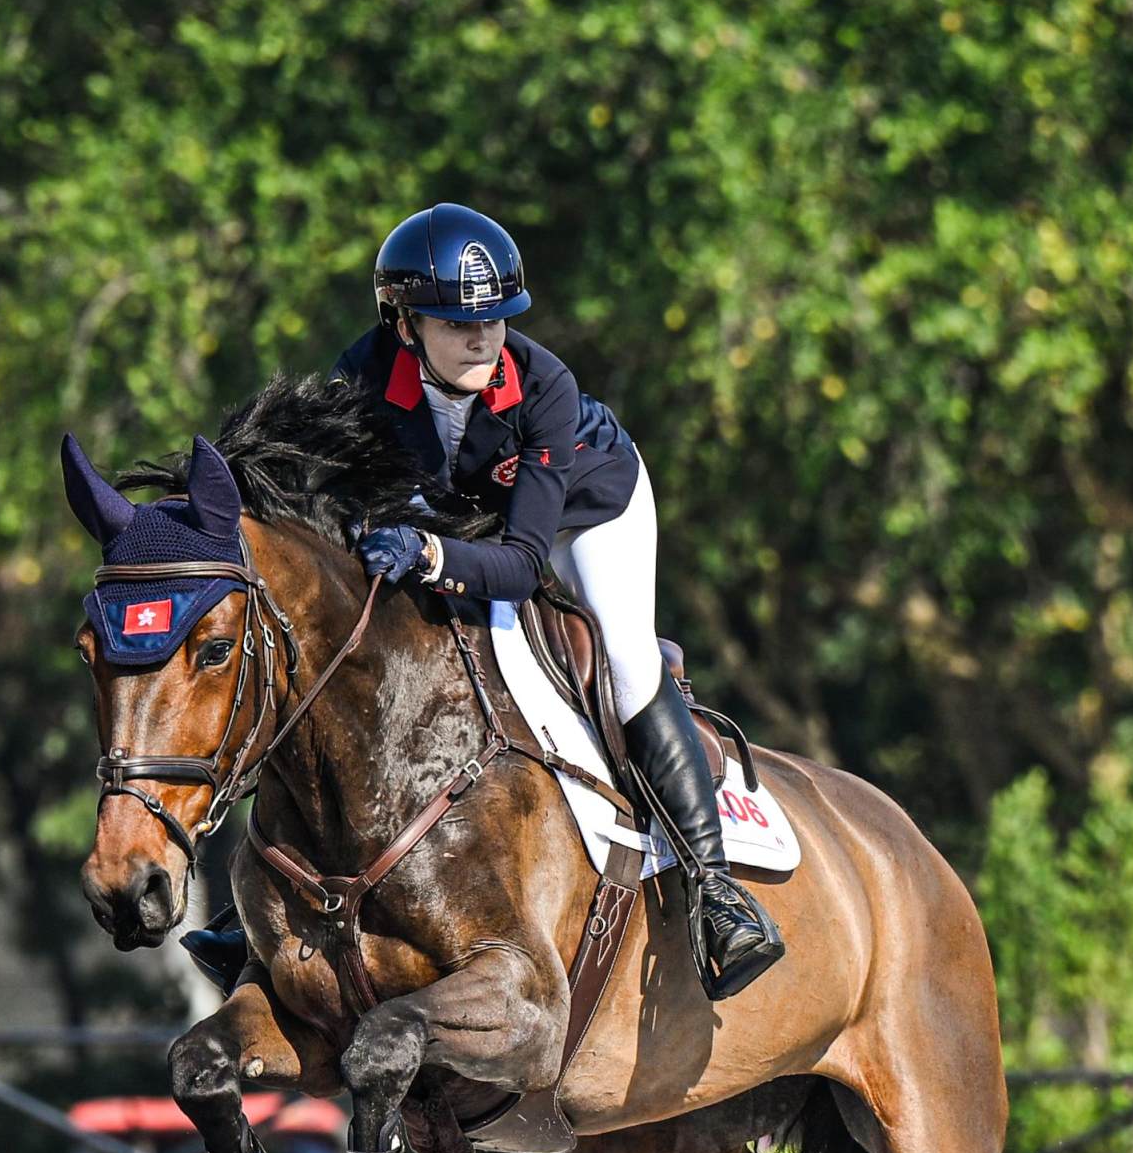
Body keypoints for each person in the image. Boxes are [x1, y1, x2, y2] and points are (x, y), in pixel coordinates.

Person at [194, 204, 781, 1005]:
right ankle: (259, 906)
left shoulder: (544, 388)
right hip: (454, 516)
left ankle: (716, 894)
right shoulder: (357, 379)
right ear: (402, 323)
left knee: (625, 661)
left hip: (583, 514)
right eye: (456, 322)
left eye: (497, 320)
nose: (483, 339)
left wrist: (429, 554)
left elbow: (518, 563)